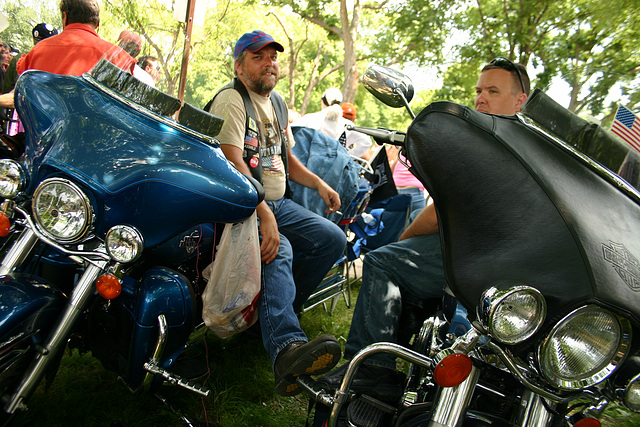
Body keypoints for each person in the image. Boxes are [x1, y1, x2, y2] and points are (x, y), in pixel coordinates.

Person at [317, 57, 531, 402]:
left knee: (382, 261)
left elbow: (437, 214)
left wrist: (402, 240)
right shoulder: (526, 146)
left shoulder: (495, 147)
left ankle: (375, 371)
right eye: (479, 90)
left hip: (481, 260)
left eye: (493, 91)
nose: (481, 98)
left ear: (520, 100)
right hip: (514, 268)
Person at [207, 30, 347, 396]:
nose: (269, 63)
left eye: (273, 57)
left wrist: (318, 183)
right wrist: (264, 215)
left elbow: (285, 160)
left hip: (277, 203)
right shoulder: (232, 99)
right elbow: (231, 162)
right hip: (237, 203)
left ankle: (269, 319)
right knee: (279, 247)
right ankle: (286, 347)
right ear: (239, 67)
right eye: (258, 57)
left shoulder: (279, 104)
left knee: (331, 239)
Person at [0, 0, 136, 110]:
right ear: (97, 24)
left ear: (65, 17)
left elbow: (20, 91)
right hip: (98, 140)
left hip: (44, 139)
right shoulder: (119, 57)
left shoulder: (38, 51)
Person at [292, 90, 372, 158]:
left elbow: (290, 131)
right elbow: (367, 142)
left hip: (309, 166)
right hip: (334, 170)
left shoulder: (310, 118)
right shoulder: (347, 125)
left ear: (323, 101)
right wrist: (346, 157)